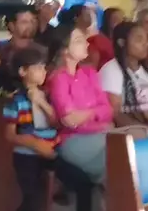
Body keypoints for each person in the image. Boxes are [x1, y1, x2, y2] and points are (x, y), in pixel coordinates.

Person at [3, 47, 93, 211]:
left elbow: (56, 123)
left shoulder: (47, 95)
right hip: (27, 156)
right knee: (33, 200)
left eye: (44, 67)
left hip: (51, 152)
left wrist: (41, 102)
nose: (43, 72)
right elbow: (10, 135)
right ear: (23, 71)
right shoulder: (15, 100)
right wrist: (35, 144)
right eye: (38, 68)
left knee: (83, 182)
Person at [48, 24, 113, 185]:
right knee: (121, 154)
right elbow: (69, 121)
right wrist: (95, 114)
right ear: (65, 50)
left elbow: (108, 110)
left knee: (127, 151)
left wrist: (85, 114)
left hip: (100, 134)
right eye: (78, 40)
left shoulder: (90, 73)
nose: (86, 43)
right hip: (74, 140)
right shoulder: (58, 79)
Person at [99, 22, 148, 133]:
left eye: (146, 39)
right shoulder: (111, 70)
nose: (146, 44)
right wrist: (147, 129)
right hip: (137, 131)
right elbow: (115, 113)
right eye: (139, 39)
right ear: (122, 42)